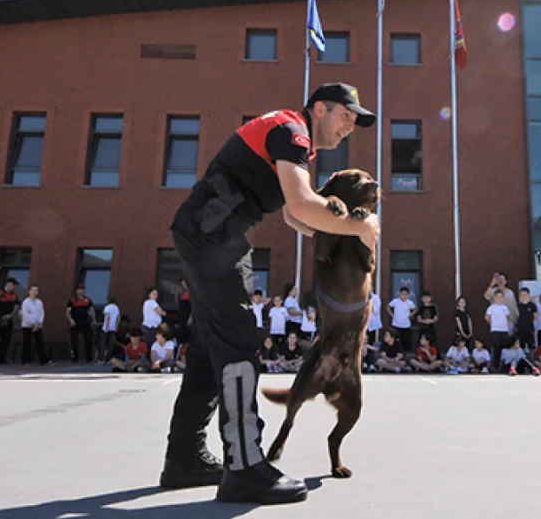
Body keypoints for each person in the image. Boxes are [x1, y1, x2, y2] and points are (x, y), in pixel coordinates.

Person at [158, 82, 379, 505]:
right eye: (345, 116)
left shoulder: (295, 146)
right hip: (213, 237)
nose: (350, 126)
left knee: (209, 346)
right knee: (239, 341)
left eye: (355, 121)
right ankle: (244, 467)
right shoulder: (291, 130)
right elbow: (300, 205)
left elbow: (297, 220)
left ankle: (184, 457)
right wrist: (360, 228)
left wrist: (346, 235)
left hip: (214, 235)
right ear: (319, 109)